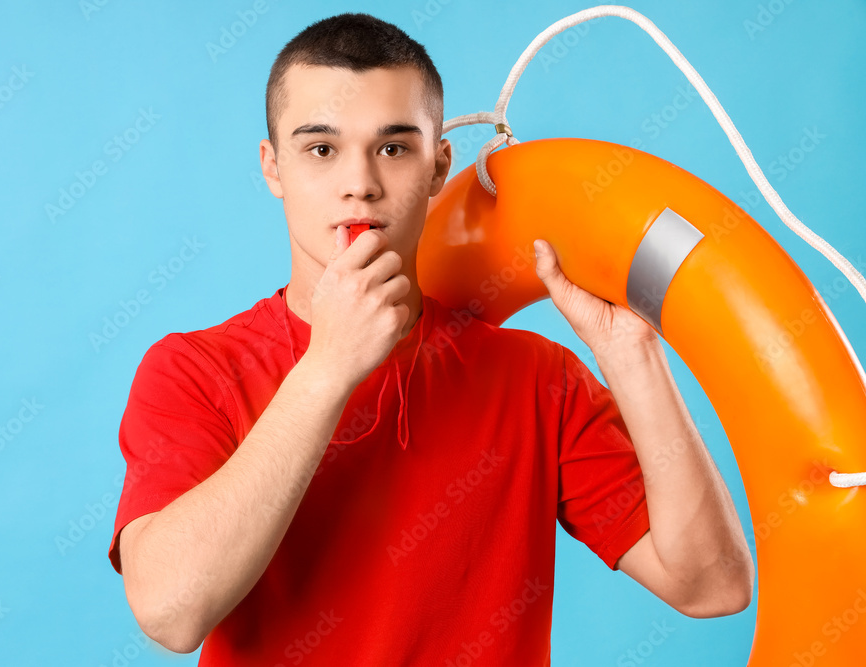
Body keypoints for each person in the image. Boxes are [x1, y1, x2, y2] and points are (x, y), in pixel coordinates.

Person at [107, 12, 754, 664]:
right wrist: (328, 367)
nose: (359, 182)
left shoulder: (537, 378)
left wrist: (630, 352)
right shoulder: (193, 369)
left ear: (439, 163)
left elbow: (712, 584)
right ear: (273, 167)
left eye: (393, 147)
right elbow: (170, 610)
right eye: (321, 149)